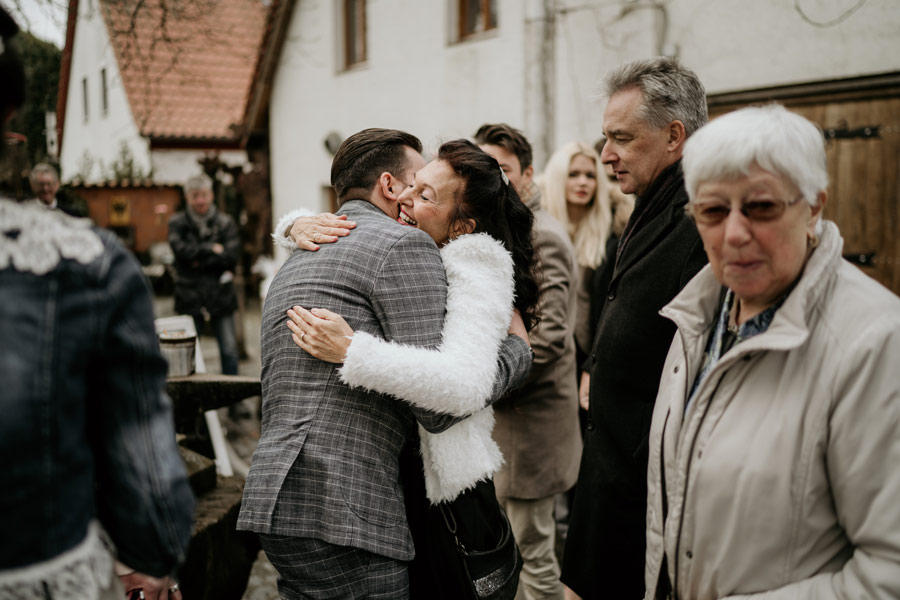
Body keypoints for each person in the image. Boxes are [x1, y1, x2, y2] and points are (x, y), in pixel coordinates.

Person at [238, 129, 534, 599]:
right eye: (414, 183)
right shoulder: (403, 247)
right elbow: (441, 407)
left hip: (274, 500)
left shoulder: (297, 256)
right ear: (390, 185)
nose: (413, 197)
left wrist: (292, 226)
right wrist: (519, 350)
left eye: (426, 191)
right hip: (343, 508)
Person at [645, 103, 900, 599]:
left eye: (760, 207)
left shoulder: (875, 343)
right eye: (713, 211)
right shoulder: (695, 317)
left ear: (814, 207)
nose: (734, 233)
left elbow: (890, 571)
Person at [0, 9, 193, 600]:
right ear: (10, 118)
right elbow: (147, 476)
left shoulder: (73, 246)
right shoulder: (79, 264)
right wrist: (152, 551)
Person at [561, 57, 709, 599]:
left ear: (674, 135)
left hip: (647, 490)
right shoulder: (649, 206)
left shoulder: (702, 220)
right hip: (611, 471)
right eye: (606, 138)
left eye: (621, 138)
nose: (606, 156)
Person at [475, 123, 581, 600]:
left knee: (534, 555)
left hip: (530, 430)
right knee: (510, 553)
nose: (493, 180)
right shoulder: (503, 225)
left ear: (529, 173)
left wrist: (483, 380)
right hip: (503, 429)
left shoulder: (545, 236)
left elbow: (551, 336)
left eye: (503, 169)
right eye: (484, 169)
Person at [168, 173, 241, 375]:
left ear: (211, 195)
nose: (200, 200)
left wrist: (197, 256)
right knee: (186, 351)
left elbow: (231, 256)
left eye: (204, 194)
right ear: (187, 197)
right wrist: (211, 248)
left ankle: (233, 402)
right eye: (195, 195)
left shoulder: (226, 223)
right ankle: (193, 402)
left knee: (229, 351)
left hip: (221, 295)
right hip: (189, 295)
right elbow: (181, 252)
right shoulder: (176, 223)